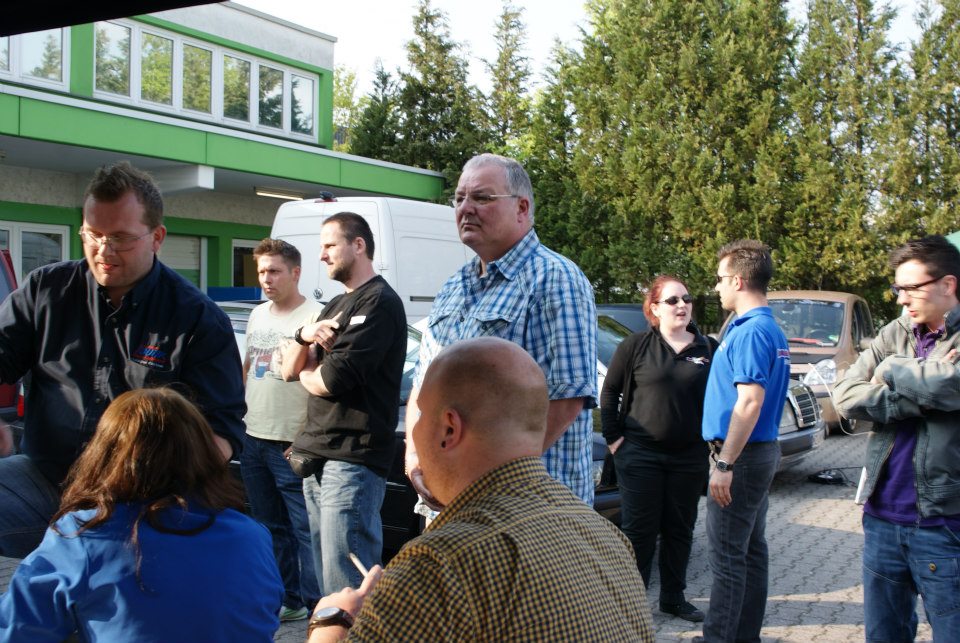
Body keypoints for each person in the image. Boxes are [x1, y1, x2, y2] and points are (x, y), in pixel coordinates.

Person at [305, 337, 654, 642]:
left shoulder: (440, 564)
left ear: (449, 429)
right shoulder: (605, 534)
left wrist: (333, 620)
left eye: (421, 414)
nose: (414, 433)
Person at [0, 161, 244, 558]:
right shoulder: (46, 290)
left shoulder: (197, 319)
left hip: (140, 503)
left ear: (157, 237)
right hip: (45, 480)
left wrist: (165, 491)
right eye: (92, 234)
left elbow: (223, 431)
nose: (103, 251)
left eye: (121, 239)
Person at [0, 388, 283, 642]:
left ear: (105, 452)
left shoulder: (82, 535)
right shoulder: (252, 535)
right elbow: (263, 615)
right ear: (203, 450)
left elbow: (17, 630)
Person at [405, 152, 597, 510]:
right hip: (452, 506)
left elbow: (568, 398)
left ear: (521, 208)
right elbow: (423, 387)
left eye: (481, 197)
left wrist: (483, 485)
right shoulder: (454, 286)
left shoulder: (556, 279)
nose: (465, 208)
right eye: (459, 198)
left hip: (527, 511)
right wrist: (415, 458)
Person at [834, 235, 960, 642]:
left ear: (948, 284)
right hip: (882, 520)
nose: (901, 299)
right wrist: (920, 395)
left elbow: (953, 386)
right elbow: (845, 396)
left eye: (910, 288)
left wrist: (889, 369)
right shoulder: (895, 332)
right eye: (898, 288)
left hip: (944, 524)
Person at [280, 212, 406, 595]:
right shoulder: (335, 304)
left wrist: (310, 368)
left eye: (329, 245)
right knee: (327, 581)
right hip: (316, 456)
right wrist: (303, 336)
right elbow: (287, 370)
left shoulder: (380, 303)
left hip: (352, 461)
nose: (322, 255)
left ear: (358, 245)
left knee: (347, 584)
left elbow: (329, 381)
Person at [600, 275, 715, 623]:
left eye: (686, 299)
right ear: (654, 308)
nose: (682, 305)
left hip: (689, 457)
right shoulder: (635, 345)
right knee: (639, 531)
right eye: (673, 300)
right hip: (640, 455)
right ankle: (632, 604)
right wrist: (614, 438)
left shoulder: (708, 348)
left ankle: (673, 598)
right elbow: (610, 391)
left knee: (680, 528)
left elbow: (722, 397)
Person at [696, 240, 790, 643]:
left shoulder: (752, 332)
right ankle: (744, 635)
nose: (717, 287)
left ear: (738, 280)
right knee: (750, 550)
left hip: (742, 457)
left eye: (720, 279)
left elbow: (749, 402)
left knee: (728, 557)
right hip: (755, 454)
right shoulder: (766, 328)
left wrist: (725, 463)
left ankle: (720, 637)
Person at [240, 238, 323, 622]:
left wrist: (306, 437)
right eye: (261, 272)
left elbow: (323, 383)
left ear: (296, 272)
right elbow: (247, 367)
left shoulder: (315, 317)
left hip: (292, 443)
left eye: (274, 271)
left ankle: (317, 606)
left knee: (305, 529)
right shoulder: (258, 314)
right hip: (253, 437)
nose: (266, 279)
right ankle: (288, 600)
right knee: (268, 526)